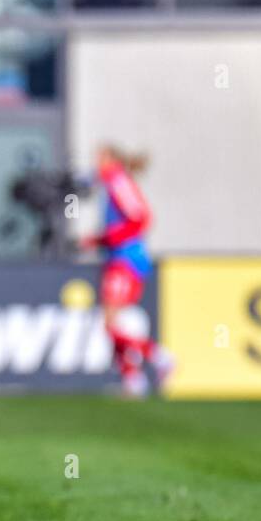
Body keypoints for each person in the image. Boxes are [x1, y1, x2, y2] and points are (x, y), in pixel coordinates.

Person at [78, 145, 174, 397]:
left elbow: (141, 218)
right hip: (117, 259)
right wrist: (97, 241)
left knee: (109, 324)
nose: (95, 163)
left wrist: (107, 239)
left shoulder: (119, 182)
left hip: (126, 261)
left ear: (111, 160)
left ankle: (157, 356)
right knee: (112, 324)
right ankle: (133, 380)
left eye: (99, 158)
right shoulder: (109, 185)